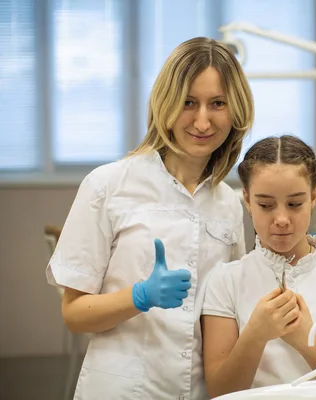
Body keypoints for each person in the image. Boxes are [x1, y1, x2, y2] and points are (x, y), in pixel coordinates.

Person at [45, 37, 254, 400]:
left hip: (199, 390)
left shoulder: (228, 205)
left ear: (234, 111)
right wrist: (140, 296)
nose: (202, 120)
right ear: (166, 104)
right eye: (189, 102)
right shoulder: (108, 185)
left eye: (217, 104)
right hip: (122, 389)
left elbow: (226, 313)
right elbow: (74, 315)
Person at [200, 135, 316, 398]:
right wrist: (255, 334)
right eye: (266, 205)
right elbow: (220, 392)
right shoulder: (225, 281)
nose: (282, 219)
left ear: (314, 195)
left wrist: (306, 341)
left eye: (295, 204)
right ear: (248, 201)